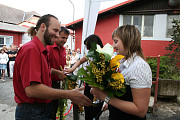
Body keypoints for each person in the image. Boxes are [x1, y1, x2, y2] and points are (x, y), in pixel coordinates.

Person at [13, 14, 91, 120]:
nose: (57, 35)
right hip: (32, 111)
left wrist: (57, 73)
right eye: (55, 30)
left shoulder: (41, 50)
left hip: (39, 109)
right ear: (43, 27)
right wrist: (69, 94)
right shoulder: (31, 49)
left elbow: (41, 71)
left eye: (59, 32)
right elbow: (32, 90)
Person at [91, 25, 152, 120]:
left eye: (116, 41)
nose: (113, 46)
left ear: (128, 41)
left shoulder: (139, 66)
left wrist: (106, 98)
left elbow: (140, 110)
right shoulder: (121, 61)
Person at [65, 34, 104, 120]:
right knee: (87, 109)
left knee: (94, 112)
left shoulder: (102, 56)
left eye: (88, 46)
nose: (87, 49)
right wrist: (72, 69)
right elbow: (80, 61)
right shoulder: (90, 54)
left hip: (97, 88)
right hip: (88, 86)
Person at [46, 26, 70, 120]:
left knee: (55, 109)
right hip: (47, 85)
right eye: (63, 37)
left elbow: (61, 66)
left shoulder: (63, 49)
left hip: (57, 84)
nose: (65, 40)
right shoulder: (49, 48)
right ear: (56, 36)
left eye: (66, 38)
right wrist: (57, 72)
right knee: (48, 111)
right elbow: (43, 67)